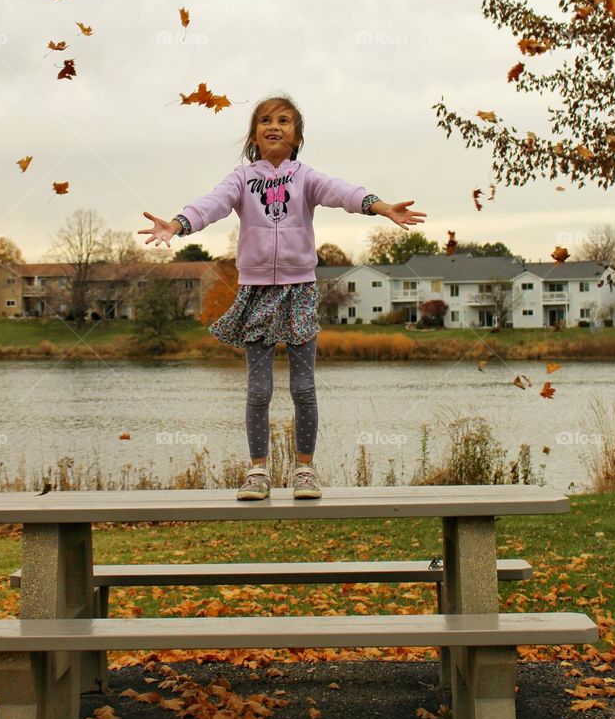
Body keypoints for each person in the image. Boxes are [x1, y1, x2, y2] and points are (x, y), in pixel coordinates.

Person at [137, 93, 426, 502]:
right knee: (258, 390)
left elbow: (342, 191)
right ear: (254, 133)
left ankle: (304, 470)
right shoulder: (241, 179)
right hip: (256, 291)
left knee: (303, 388)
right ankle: (258, 472)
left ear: (297, 135)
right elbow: (212, 204)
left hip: (300, 290)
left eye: (284, 121)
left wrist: (381, 208)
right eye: (266, 120)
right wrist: (179, 225)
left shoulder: (304, 177)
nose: (274, 126)